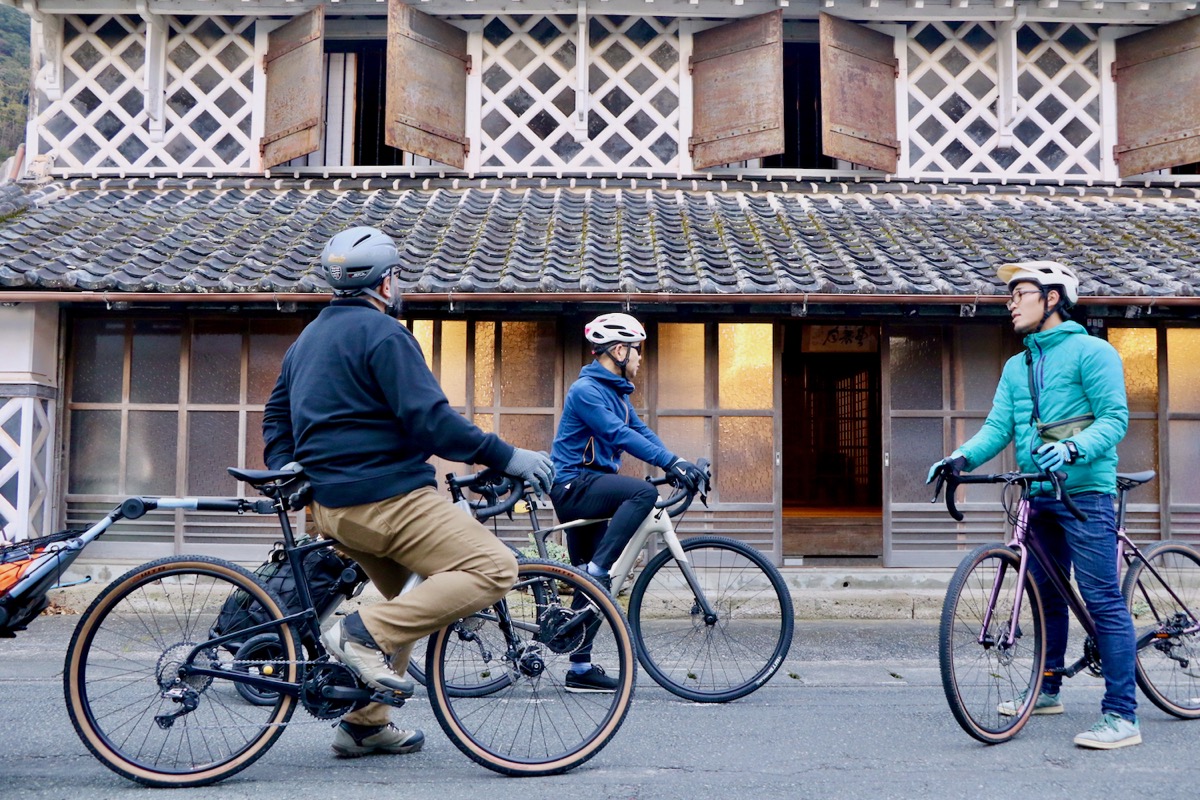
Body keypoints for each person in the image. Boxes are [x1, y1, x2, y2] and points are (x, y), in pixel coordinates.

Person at [263, 226, 553, 758]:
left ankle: (365, 724)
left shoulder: (309, 338)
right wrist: (508, 455)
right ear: (385, 280)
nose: (401, 286)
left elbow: (276, 415)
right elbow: (431, 423)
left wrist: (287, 467)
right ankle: (360, 631)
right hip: (389, 500)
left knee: (410, 596)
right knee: (494, 568)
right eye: (399, 276)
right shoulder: (386, 335)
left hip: (331, 509)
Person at [927, 260, 1138, 749]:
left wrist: (1072, 448)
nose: (1010, 302)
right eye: (1011, 294)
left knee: (1102, 597)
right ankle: (1047, 689)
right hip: (1038, 493)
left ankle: (1123, 716)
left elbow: (1115, 418)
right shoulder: (1016, 365)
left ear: (1052, 298)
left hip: (1085, 493)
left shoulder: (1093, 352)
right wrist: (958, 458)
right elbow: (998, 429)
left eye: (1020, 292)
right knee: (1046, 598)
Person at [549, 312, 707, 692]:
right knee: (641, 495)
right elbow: (616, 434)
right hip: (575, 486)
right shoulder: (585, 391)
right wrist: (668, 464)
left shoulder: (615, 393)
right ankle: (599, 570)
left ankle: (580, 669)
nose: (640, 359)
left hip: (593, 487)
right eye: (637, 351)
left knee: (592, 584)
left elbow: (639, 430)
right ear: (619, 350)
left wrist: (676, 463)